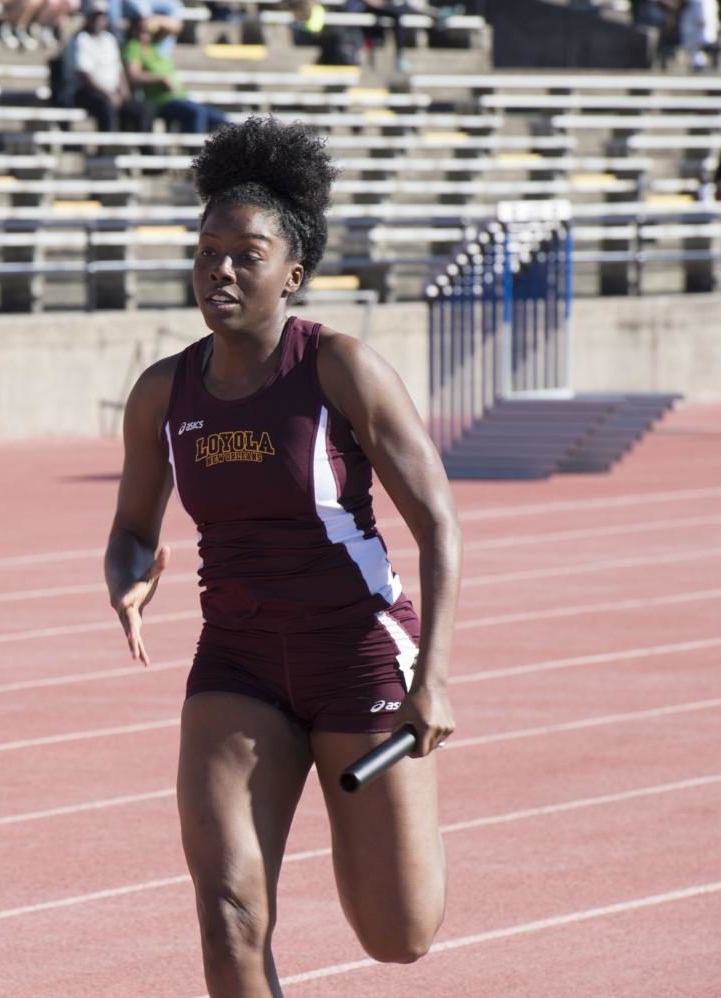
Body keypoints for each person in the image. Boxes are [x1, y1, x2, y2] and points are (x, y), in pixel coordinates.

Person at [104, 116, 460, 994]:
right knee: (229, 913)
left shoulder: (339, 368)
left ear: (292, 273)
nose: (219, 269)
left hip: (359, 651)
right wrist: (128, 577)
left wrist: (435, 677)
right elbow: (130, 531)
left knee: (397, 933)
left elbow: (441, 525)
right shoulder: (162, 393)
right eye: (207, 250)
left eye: (246, 253)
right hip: (239, 661)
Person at [123, 15, 228, 133]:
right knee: (197, 113)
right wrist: (159, 79)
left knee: (220, 119)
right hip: (161, 100)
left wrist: (155, 20)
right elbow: (134, 76)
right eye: (142, 30)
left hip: (180, 97)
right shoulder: (133, 47)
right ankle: (196, 150)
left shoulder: (153, 44)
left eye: (148, 31)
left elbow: (177, 27)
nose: (146, 34)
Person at [66, 4, 154, 133]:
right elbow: (84, 76)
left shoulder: (109, 40)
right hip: (85, 92)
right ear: (88, 18)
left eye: (102, 17)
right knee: (105, 105)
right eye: (95, 17)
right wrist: (108, 94)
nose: (98, 20)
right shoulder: (80, 40)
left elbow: (119, 71)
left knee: (143, 110)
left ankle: (146, 150)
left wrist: (124, 94)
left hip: (112, 92)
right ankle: (109, 147)